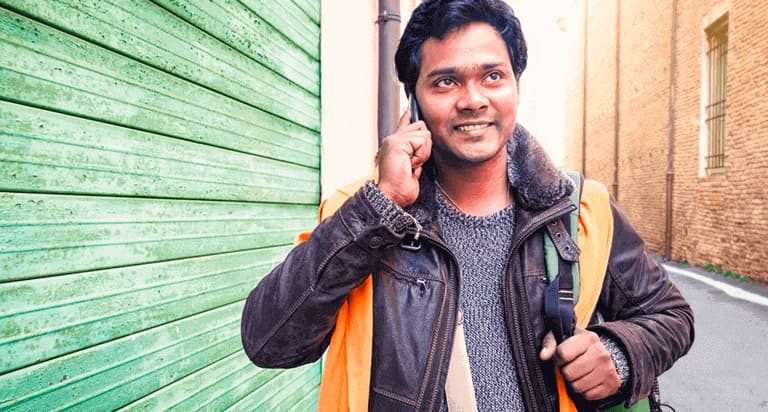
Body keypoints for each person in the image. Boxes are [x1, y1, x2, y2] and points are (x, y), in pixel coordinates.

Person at [240, 0, 694, 411]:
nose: (473, 100)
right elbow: (269, 342)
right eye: (446, 81)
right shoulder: (365, 215)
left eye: (492, 76)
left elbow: (672, 315)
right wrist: (381, 207)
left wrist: (620, 352)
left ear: (516, 86)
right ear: (414, 103)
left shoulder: (580, 210)